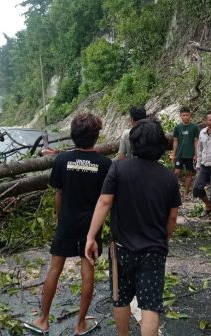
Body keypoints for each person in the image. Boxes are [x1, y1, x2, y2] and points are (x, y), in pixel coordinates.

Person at [85, 119, 181, 336]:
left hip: (121, 248)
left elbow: (104, 202)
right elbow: (173, 217)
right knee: (150, 305)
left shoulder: (118, 168)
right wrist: (163, 239)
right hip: (154, 250)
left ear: (134, 143)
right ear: (159, 145)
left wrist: (91, 236)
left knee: (120, 298)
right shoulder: (168, 177)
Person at [24, 113, 111, 336]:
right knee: (87, 270)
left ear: (73, 135)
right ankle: (80, 324)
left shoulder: (62, 160)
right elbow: (106, 200)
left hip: (67, 222)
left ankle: (43, 320)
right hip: (92, 226)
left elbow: (59, 194)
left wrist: (58, 217)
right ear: (96, 135)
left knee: (55, 268)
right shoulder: (105, 164)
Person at [170, 107, 200, 198]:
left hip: (190, 155)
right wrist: (173, 154)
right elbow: (175, 140)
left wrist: (196, 154)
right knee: (176, 172)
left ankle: (185, 193)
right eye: (183, 115)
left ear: (190, 115)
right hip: (180, 154)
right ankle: (174, 192)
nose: (185, 117)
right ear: (180, 116)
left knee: (188, 174)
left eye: (187, 115)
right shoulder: (177, 127)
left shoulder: (195, 127)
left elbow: (196, 141)